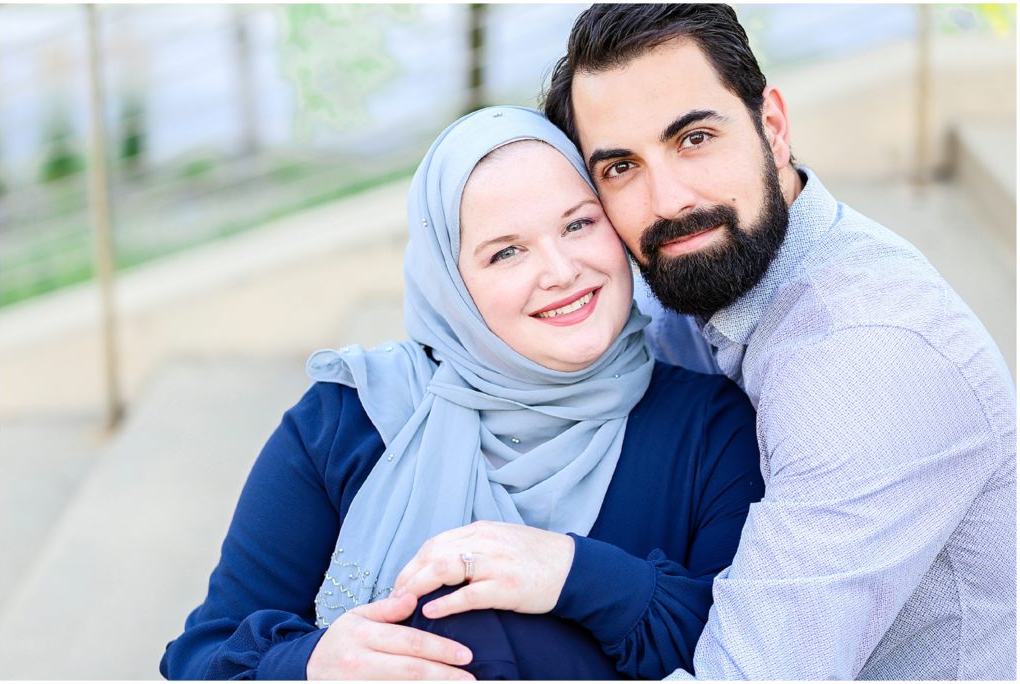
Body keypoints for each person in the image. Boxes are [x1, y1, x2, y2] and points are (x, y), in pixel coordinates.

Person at [159, 106, 764, 680]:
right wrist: (314, 664)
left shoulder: (710, 428)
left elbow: (741, 652)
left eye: (579, 224)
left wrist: (571, 572)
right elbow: (205, 657)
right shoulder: (352, 418)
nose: (560, 270)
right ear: (450, 284)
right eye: (506, 252)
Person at [540, 3, 1017, 680]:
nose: (669, 199)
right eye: (621, 168)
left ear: (773, 127)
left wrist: (560, 577)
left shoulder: (870, 355)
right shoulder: (685, 285)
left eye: (694, 139)